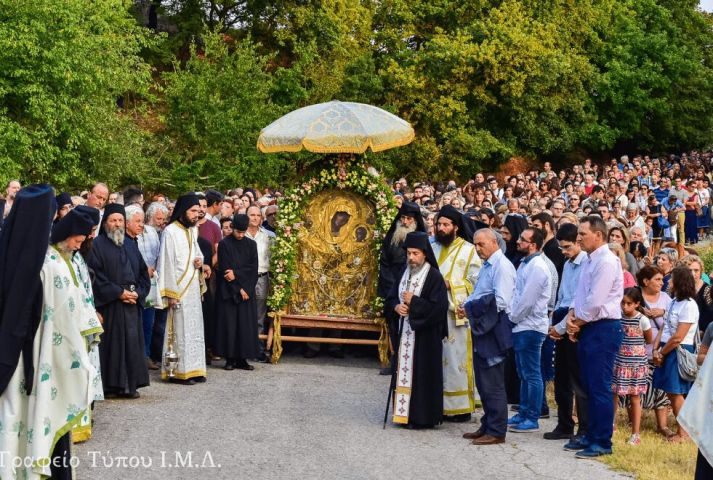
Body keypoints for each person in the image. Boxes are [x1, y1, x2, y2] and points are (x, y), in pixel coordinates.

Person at [0, 186, 101, 480]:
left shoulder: (7, 255)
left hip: (11, 364)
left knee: (12, 423)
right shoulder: (50, 266)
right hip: (37, 365)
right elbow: (69, 322)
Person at [565, 215, 624, 458]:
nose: (578, 238)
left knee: (599, 387)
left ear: (598, 235)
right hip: (589, 326)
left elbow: (595, 302)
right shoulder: (590, 260)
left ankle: (602, 441)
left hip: (603, 327)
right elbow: (580, 298)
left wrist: (575, 323)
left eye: (582, 233)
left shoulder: (607, 262)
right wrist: (569, 320)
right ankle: (589, 433)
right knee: (589, 385)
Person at [385, 231, 449, 428]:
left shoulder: (434, 277)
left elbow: (439, 309)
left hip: (425, 338)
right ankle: (402, 415)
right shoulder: (403, 273)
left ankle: (422, 418)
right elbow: (390, 298)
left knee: (422, 377)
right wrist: (397, 306)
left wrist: (414, 302)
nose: (411, 258)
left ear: (425, 254)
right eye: (409, 253)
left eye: (415, 254)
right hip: (405, 335)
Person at [87, 203, 150, 398]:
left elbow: (143, 273)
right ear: (105, 222)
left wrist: (138, 293)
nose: (117, 224)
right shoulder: (97, 246)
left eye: (120, 220)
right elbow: (95, 276)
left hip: (131, 304)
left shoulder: (131, 245)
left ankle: (130, 385)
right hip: (111, 305)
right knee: (112, 346)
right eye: (113, 220)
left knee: (132, 344)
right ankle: (112, 386)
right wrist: (118, 292)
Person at [461, 229, 516, 445]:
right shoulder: (487, 266)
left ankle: (496, 430)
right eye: (475, 244)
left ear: (494, 242)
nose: (477, 249)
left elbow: (500, 301)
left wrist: (472, 308)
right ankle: (487, 424)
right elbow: (481, 293)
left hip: (493, 328)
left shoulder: (501, 267)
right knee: (483, 381)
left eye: (481, 244)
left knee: (493, 382)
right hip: (483, 326)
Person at [431, 204, 481, 421]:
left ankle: (460, 407)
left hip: (455, 313)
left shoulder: (469, 250)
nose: (440, 228)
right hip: (434, 311)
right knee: (436, 358)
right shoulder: (432, 246)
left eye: (445, 224)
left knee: (456, 359)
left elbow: (475, 281)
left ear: (456, 227)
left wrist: (450, 285)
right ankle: (436, 403)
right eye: (438, 224)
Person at [156, 193, 208, 385]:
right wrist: (170, 292)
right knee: (179, 331)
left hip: (192, 287)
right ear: (183, 211)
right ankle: (178, 371)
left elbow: (198, 254)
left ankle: (195, 369)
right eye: (193, 211)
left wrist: (199, 261)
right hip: (178, 289)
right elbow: (166, 263)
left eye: (198, 211)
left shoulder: (191, 231)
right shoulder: (170, 231)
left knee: (194, 331)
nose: (197, 215)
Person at [545, 223, 589, 442]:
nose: (563, 251)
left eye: (567, 247)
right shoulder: (567, 262)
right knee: (561, 377)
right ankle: (564, 424)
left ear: (578, 242)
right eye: (561, 247)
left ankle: (584, 428)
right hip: (561, 316)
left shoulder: (585, 264)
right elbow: (562, 295)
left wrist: (563, 326)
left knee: (578, 379)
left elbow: (577, 300)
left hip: (574, 323)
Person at [507, 227, 552, 433]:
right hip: (522, 326)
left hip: (530, 326)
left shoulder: (537, 267)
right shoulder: (526, 264)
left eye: (522, 240)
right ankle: (523, 411)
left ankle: (532, 416)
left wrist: (512, 318)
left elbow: (527, 300)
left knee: (532, 373)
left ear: (532, 245)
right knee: (523, 373)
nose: (518, 242)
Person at [652, 266, 699, 442]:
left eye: (671, 279)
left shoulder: (689, 305)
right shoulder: (673, 302)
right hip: (666, 348)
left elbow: (678, 336)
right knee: (672, 393)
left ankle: (684, 433)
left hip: (678, 350)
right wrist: (656, 349)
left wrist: (662, 353)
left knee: (676, 391)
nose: (668, 282)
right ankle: (682, 430)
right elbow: (664, 327)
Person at [378, 202, 426, 373]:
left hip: (414, 287)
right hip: (393, 286)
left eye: (409, 219)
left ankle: (413, 363)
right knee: (393, 326)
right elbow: (384, 262)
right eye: (403, 218)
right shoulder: (392, 236)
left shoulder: (421, 238)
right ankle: (396, 361)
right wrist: (392, 288)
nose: (405, 222)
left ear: (415, 220)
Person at [215, 214, 259, 371]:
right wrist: (239, 289)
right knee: (230, 326)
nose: (240, 235)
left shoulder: (251, 245)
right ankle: (230, 359)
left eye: (243, 232)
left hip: (247, 291)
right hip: (230, 291)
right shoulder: (224, 244)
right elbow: (225, 271)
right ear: (232, 228)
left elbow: (253, 269)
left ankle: (243, 359)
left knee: (245, 326)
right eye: (237, 232)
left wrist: (246, 288)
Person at [612, 287, 653, 446]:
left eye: (629, 303)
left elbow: (648, 339)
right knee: (614, 393)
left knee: (635, 397)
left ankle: (635, 433)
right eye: (623, 303)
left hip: (636, 364)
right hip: (619, 361)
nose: (625, 306)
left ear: (637, 304)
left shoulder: (642, 319)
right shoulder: (618, 317)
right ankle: (611, 424)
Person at [245, 204, 275, 362]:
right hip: (244, 279)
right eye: (252, 215)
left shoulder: (269, 236)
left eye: (258, 215)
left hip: (262, 277)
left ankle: (258, 349)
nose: (255, 218)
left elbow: (275, 259)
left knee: (259, 316)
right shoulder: (241, 234)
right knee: (243, 314)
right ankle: (243, 349)